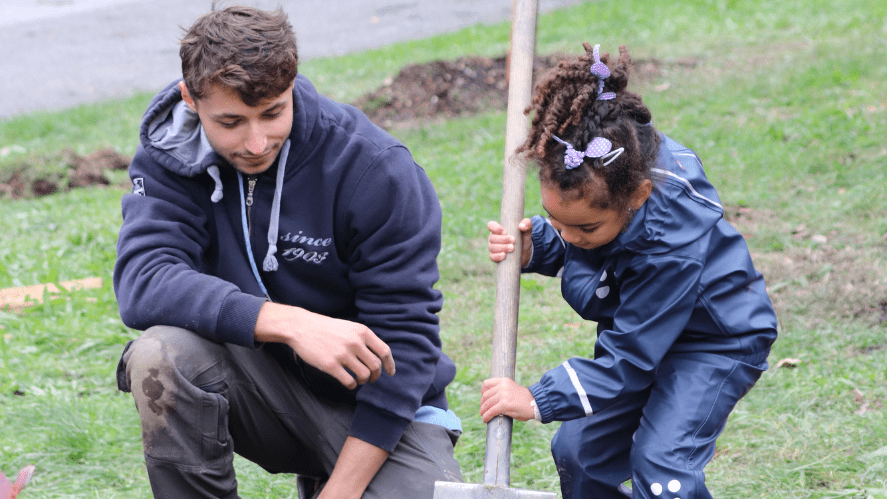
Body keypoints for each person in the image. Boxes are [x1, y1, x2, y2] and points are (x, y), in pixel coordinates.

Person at [112, 5, 462, 498]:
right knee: (160, 357)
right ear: (190, 99)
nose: (256, 143)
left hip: (381, 412)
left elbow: (405, 347)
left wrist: (339, 492)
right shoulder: (174, 153)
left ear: (292, 85)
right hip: (259, 391)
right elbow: (144, 280)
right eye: (231, 121)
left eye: (273, 113)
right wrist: (293, 324)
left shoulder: (375, 168)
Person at [481, 43, 777, 499]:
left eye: (583, 227)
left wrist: (539, 398)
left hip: (713, 342)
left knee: (662, 469)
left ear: (636, 197)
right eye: (555, 219)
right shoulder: (601, 185)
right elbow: (588, 244)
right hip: (645, 334)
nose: (568, 235)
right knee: (580, 451)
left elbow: (630, 358)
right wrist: (536, 244)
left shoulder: (668, 247)